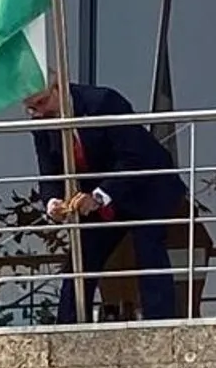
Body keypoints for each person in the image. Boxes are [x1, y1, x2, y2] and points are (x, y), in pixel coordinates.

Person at [25, 82, 188, 324]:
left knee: (149, 247)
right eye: (30, 108)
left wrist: (99, 196)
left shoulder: (103, 101)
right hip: (100, 195)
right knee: (82, 258)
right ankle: (68, 329)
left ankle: (161, 324)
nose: (38, 113)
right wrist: (52, 202)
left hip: (146, 184)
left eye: (41, 102)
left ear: (59, 88)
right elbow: (49, 171)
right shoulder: (41, 122)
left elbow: (135, 157)